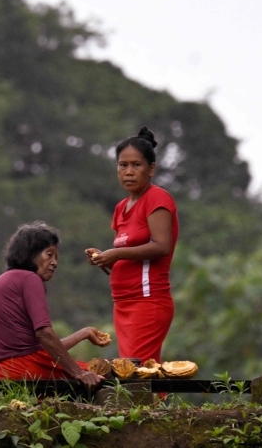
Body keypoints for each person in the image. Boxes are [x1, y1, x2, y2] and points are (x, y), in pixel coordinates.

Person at [86, 127, 179, 364]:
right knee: (138, 373)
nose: (128, 172)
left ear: (151, 169)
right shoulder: (121, 207)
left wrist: (115, 254)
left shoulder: (157, 198)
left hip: (147, 300)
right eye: (122, 165)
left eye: (136, 165)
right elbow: (127, 252)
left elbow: (161, 246)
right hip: (123, 301)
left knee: (137, 375)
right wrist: (103, 258)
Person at [0, 221, 108, 385]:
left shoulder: (9, 279)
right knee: (105, 375)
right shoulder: (29, 278)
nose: (55, 263)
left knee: (95, 370)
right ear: (30, 254)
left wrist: (84, 333)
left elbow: (44, 348)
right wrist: (79, 373)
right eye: (49, 255)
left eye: (56, 257)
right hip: (22, 368)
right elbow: (44, 334)